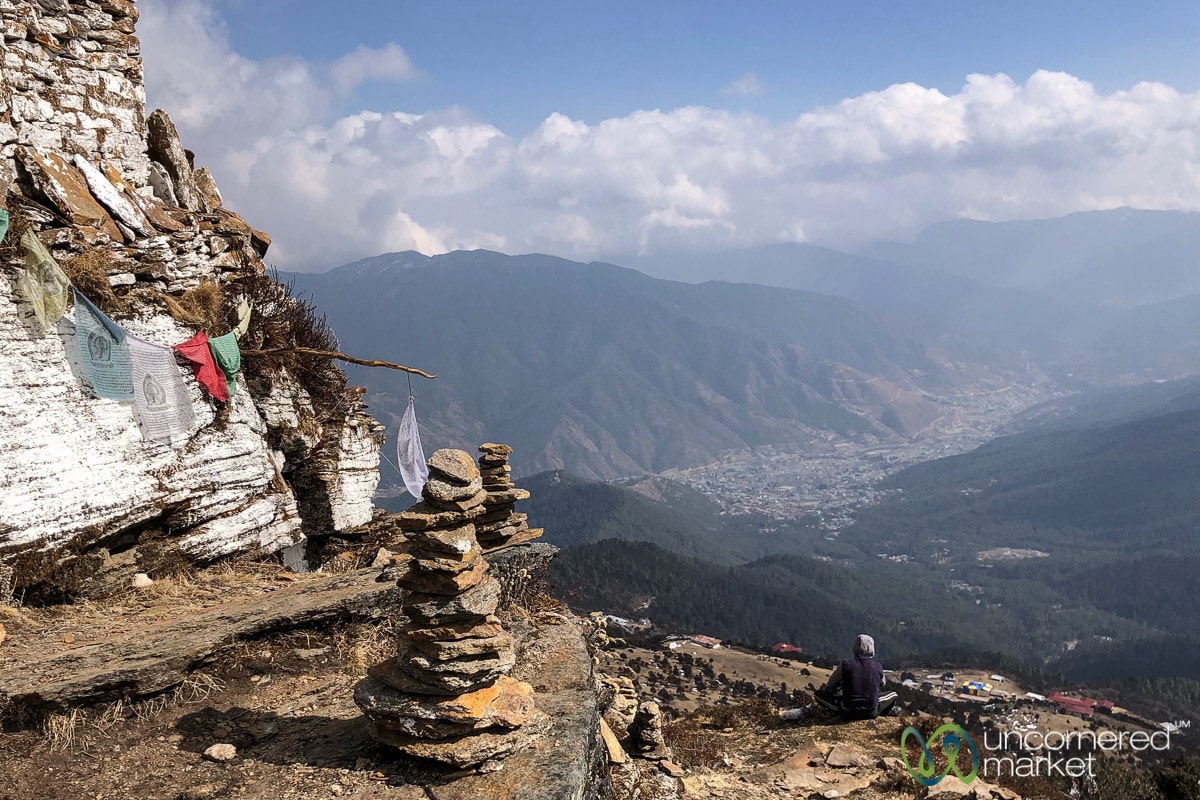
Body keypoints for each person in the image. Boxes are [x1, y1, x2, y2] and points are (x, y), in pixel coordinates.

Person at [813, 634, 898, 719]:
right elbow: (882, 683)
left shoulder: (845, 665)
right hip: (871, 711)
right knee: (893, 694)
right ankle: (887, 712)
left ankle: (836, 710)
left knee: (817, 694)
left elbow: (831, 685)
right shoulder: (878, 666)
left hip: (848, 711)